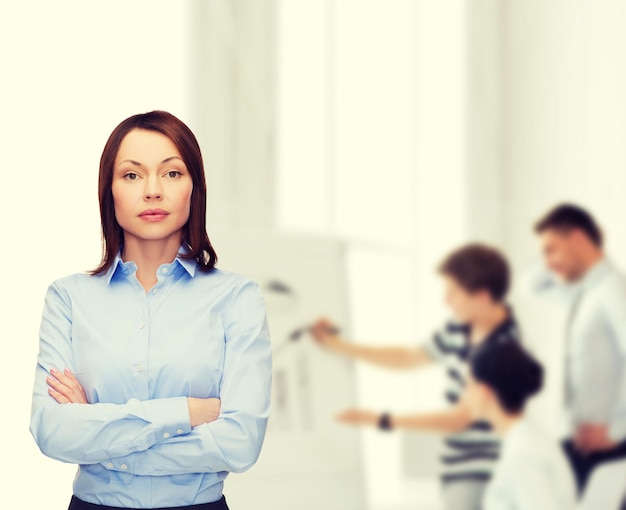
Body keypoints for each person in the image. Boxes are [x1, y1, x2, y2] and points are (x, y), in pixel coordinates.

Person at [29, 111, 272, 510]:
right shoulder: (68, 298)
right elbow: (52, 431)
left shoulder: (237, 297)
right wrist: (189, 412)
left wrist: (101, 435)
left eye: (172, 173)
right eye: (132, 175)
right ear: (109, 191)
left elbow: (241, 442)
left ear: (195, 188)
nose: (153, 191)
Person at [311, 244, 520, 510]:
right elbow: (410, 357)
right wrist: (340, 345)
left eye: (452, 293)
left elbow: (458, 418)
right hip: (454, 467)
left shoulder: (504, 347)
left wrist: (379, 420)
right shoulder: (460, 327)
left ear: (481, 295)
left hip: (482, 471)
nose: (445, 301)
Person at [529, 204, 626, 493]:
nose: (546, 262)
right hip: (580, 446)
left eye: (551, 249)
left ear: (579, 239)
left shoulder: (613, 289)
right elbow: (531, 286)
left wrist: (619, 429)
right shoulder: (583, 292)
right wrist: (554, 258)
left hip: (609, 447)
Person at [464, 340, 577, 510]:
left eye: (468, 385)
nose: (464, 395)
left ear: (484, 391)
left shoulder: (523, 453)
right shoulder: (526, 439)